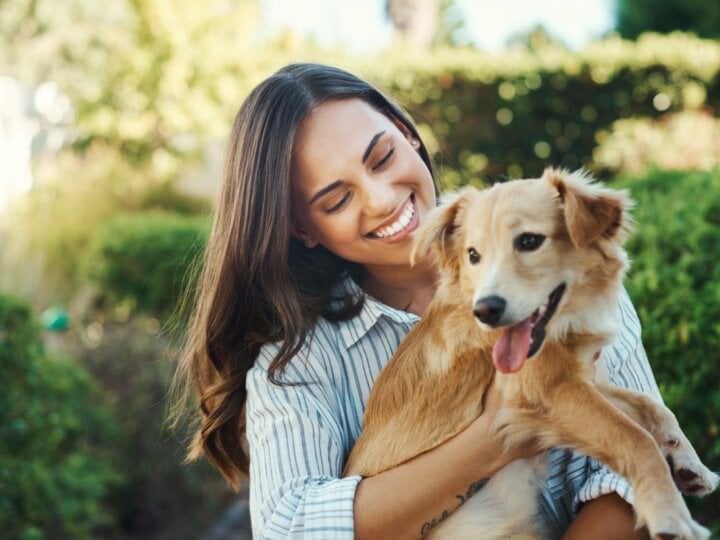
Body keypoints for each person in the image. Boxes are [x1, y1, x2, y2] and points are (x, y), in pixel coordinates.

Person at [172, 63, 661, 539]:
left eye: (382, 158)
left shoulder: (562, 269)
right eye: (336, 200)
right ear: (303, 230)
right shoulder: (297, 362)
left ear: (408, 134)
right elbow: (291, 527)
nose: (382, 199)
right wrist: (493, 437)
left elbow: (634, 486)